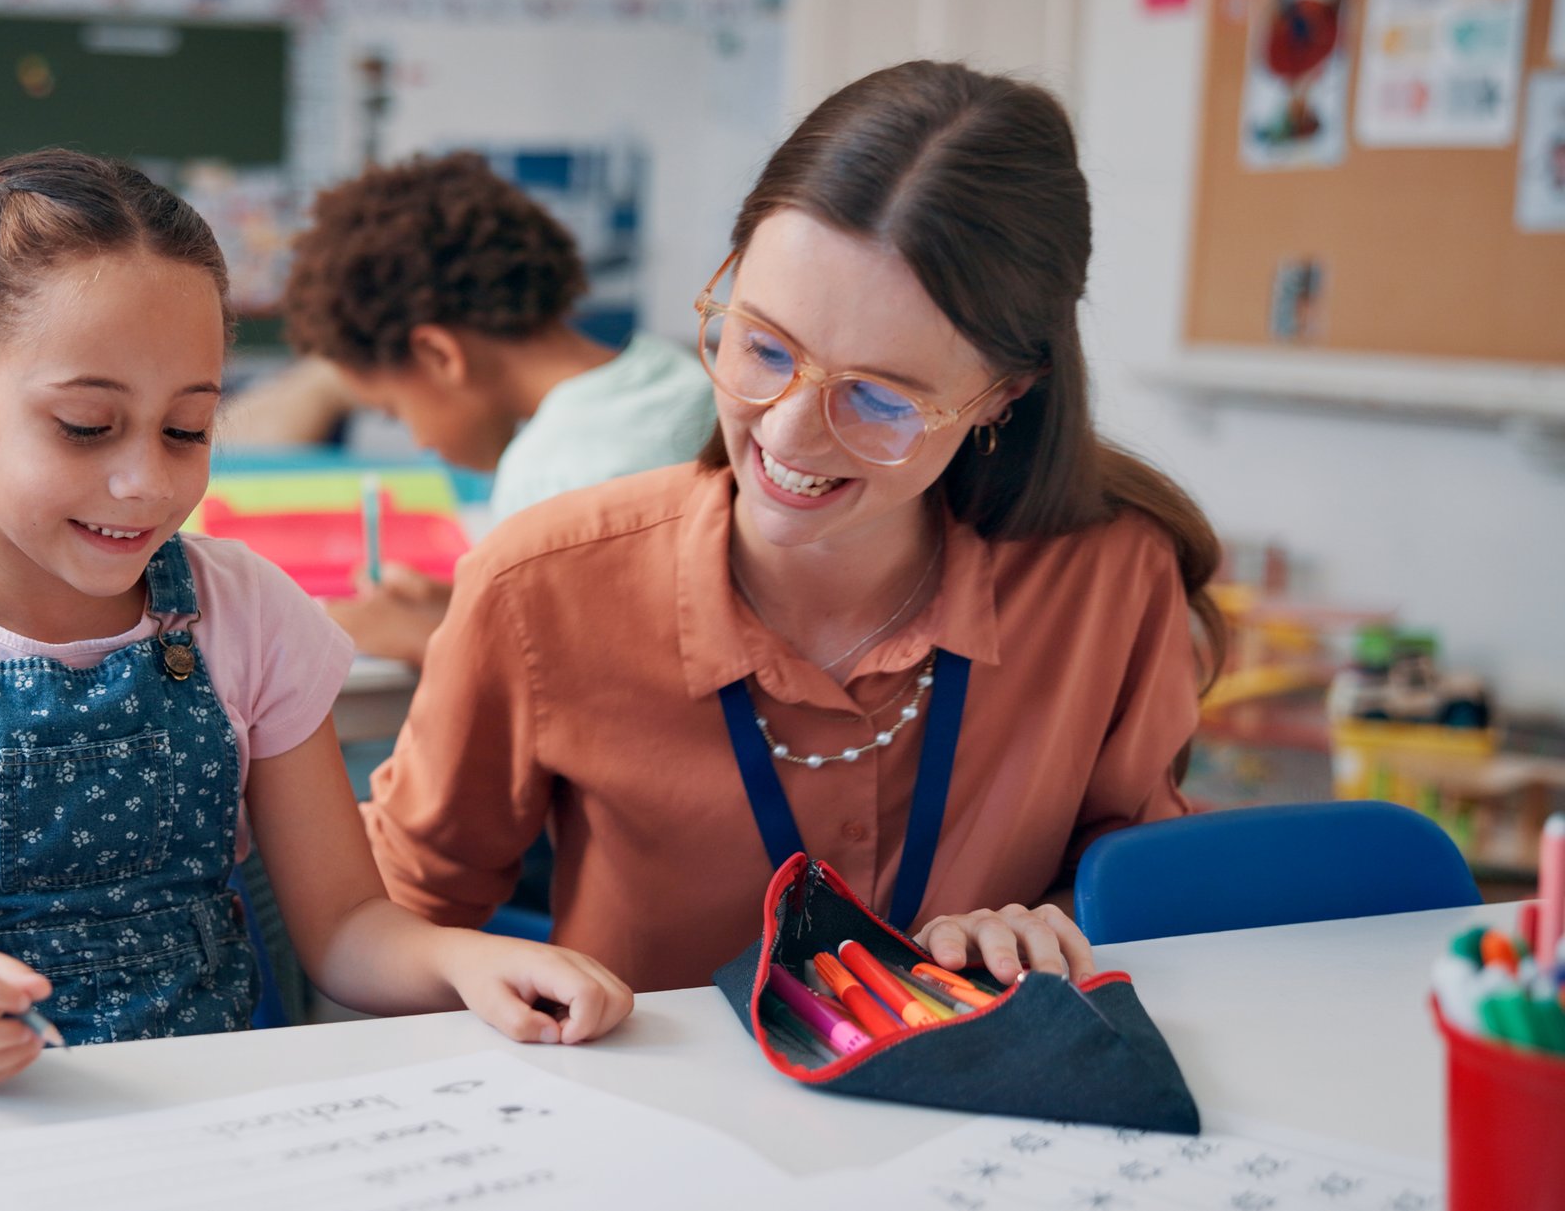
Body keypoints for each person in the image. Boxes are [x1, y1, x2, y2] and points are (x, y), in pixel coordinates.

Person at [0, 150, 634, 1093]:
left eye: (187, 429)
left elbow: (343, 930)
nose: (148, 482)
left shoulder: (245, 613)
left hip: (213, 1121)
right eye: (87, 425)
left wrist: (463, 961)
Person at [362, 61, 1228, 994]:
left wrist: (1045, 920)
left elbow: (1133, 880)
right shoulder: (539, 585)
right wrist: (485, 974)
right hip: (648, 1121)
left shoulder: (1108, 576)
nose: (783, 431)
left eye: (877, 396)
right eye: (763, 346)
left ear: (1002, 395)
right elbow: (390, 922)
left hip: (982, 1110)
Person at [279, 152, 716, 666]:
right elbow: (598, 627)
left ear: (440, 356)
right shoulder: (677, 373)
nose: (418, 441)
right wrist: (473, 606)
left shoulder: (547, 477)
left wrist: (417, 640)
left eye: (395, 411)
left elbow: (570, 684)